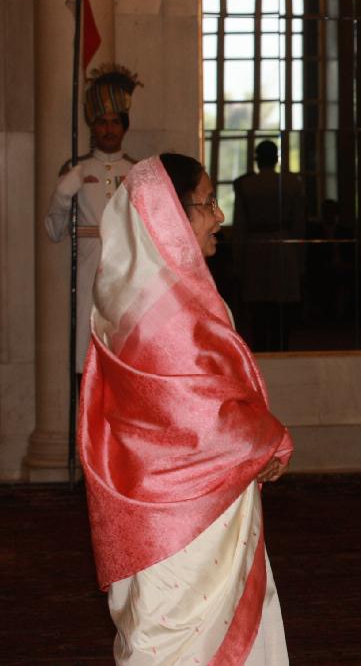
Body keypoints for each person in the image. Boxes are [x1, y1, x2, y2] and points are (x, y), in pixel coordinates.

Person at [79, 153, 294, 664]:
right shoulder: (172, 309)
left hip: (150, 500)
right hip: (185, 514)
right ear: (171, 214)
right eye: (208, 203)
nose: (219, 216)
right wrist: (271, 440)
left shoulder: (132, 295)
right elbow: (200, 415)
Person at [44, 64, 141, 371]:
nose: (108, 129)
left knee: (125, 353)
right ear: (93, 126)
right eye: (102, 122)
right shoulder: (76, 169)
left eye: (115, 122)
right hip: (87, 271)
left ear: (124, 126)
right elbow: (54, 231)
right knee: (86, 356)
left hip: (127, 272)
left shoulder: (137, 172)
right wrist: (62, 195)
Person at [231, 139, 306, 351]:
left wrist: (238, 259)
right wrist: (301, 258)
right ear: (276, 159)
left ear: (257, 159)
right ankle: (280, 347)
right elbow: (299, 224)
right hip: (283, 244)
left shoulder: (246, 185)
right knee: (280, 305)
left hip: (256, 245)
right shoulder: (292, 183)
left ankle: (263, 347)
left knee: (259, 306)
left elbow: (240, 225)